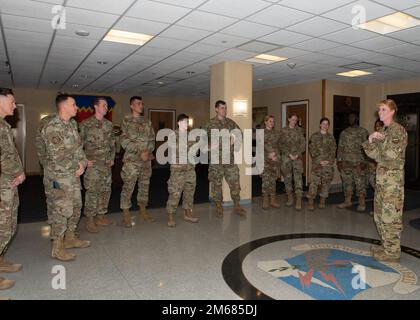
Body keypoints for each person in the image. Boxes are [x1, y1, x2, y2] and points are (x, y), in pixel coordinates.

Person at [41, 93, 90, 262]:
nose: (77, 107)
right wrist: (76, 166)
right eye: (74, 104)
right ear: (64, 106)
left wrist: (82, 164)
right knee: (61, 210)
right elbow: (57, 155)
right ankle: (57, 247)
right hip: (59, 176)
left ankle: (70, 238)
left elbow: (79, 149)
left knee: (76, 206)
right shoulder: (52, 126)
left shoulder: (72, 125)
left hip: (73, 176)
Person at [363, 99, 408, 262]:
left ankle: (393, 252)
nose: (380, 113)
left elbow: (392, 154)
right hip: (382, 181)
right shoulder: (384, 130)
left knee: (391, 217)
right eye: (379, 110)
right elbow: (374, 154)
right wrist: (370, 139)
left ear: (392, 111)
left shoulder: (398, 131)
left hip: (392, 184)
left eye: (383, 109)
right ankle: (386, 246)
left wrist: (379, 141)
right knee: (379, 215)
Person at [202, 100, 246, 218]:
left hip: (229, 159)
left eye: (225, 108)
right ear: (216, 109)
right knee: (216, 185)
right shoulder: (210, 124)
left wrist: (234, 139)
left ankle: (237, 205)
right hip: (216, 161)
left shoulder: (230, 123)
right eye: (222, 108)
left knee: (235, 183)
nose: (224, 110)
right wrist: (208, 146)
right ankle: (218, 206)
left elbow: (240, 133)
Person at [0, 88, 25, 290]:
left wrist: (18, 172)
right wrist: (17, 172)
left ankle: (0, 260)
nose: (15, 106)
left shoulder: (4, 126)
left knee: (8, 227)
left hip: (8, 184)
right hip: (3, 184)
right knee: (2, 228)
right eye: (12, 102)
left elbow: (10, 153)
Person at [79, 97, 115, 233]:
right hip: (93, 166)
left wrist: (112, 158)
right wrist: (84, 160)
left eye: (107, 106)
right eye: (104, 105)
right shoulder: (86, 124)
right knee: (92, 192)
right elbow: (78, 145)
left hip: (106, 165)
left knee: (105, 190)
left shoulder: (109, 125)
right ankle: (90, 220)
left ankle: (101, 216)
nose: (106, 108)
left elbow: (112, 143)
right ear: (96, 107)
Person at [120, 96, 155, 227]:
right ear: (131, 106)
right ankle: (126, 213)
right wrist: (139, 151)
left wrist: (148, 150)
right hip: (132, 161)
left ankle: (143, 210)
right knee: (129, 186)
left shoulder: (147, 122)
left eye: (142, 103)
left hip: (146, 160)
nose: (141, 105)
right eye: (138, 103)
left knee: (144, 186)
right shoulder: (126, 121)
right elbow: (123, 140)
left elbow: (152, 139)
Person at [166, 114, 199, 227]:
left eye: (187, 122)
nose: (187, 124)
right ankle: (170, 215)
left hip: (190, 168)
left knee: (189, 191)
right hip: (178, 169)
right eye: (185, 121)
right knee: (175, 192)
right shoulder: (173, 135)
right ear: (178, 123)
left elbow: (195, 150)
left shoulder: (191, 136)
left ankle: (188, 213)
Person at [337, 112, 369, 212]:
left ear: (357, 118)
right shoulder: (344, 132)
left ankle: (361, 202)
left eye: (353, 117)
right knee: (347, 183)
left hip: (359, 163)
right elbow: (340, 147)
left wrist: (365, 161)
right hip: (346, 162)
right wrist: (339, 161)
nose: (351, 119)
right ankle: (347, 201)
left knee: (360, 183)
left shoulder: (363, 132)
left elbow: (368, 148)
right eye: (349, 117)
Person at [306, 118, 336, 211]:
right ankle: (311, 200)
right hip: (317, 164)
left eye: (327, 124)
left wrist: (328, 161)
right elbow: (312, 150)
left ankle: (322, 200)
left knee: (326, 183)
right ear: (320, 125)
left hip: (327, 164)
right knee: (314, 183)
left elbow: (333, 150)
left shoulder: (331, 137)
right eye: (323, 124)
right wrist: (320, 160)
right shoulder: (314, 136)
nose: (325, 126)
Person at [279, 113, 306, 210]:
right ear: (289, 119)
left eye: (296, 120)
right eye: (293, 119)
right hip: (287, 158)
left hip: (297, 158)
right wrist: (289, 154)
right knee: (287, 178)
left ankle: (298, 199)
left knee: (298, 178)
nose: (294, 121)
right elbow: (281, 145)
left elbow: (303, 144)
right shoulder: (283, 130)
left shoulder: (300, 130)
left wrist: (297, 154)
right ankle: (290, 197)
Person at [36, 113, 56, 227]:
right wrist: (46, 164)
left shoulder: (72, 122)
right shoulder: (46, 121)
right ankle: (54, 226)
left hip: (68, 171)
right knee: (53, 197)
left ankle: (67, 230)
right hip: (51, 168)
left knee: (68, 201)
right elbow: (39, 143)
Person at [261, 115, 281, 210]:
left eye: (273, 121)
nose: (272, 123)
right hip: (265, 160)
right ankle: (265, 200)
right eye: (270, 121)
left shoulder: (276, 133)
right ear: (265, 122)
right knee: (266, 180)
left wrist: (276, 155)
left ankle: (273, 200)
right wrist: (270, 154)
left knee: (273, 180)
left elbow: (279, 146)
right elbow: (262, 145)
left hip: (275, 160)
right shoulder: (261, 133)